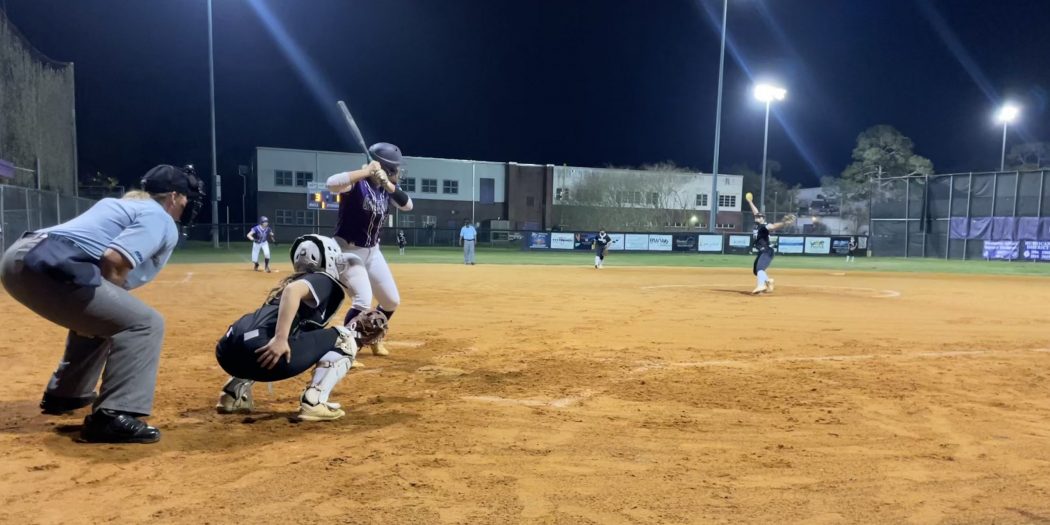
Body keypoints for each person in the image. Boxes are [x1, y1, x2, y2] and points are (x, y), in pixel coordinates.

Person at [0, 164, 205, 443]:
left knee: (107, 320)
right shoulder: (160, 217)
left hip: (21, 259)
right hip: (51, 264)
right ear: (171, 196)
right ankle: (112, 416)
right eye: (184, 197)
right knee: (144, 323)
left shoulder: (124, 204)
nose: (186, 204)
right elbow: (114, 259)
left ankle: (66, 395)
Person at [214, 234, 388, 421]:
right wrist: (281, 338)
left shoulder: (287, 286)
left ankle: (232, 395)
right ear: (328, 258)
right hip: (262, 357)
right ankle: (314, 402)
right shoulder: (322, 279)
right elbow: (293, 291)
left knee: (265, 339)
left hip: (227, 352)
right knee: (345, 337)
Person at [326, 142, 412, 358]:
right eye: (396, 169)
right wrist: (365, 172)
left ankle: (373, 335)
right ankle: (346, 348)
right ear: (385, 167)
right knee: (363, 300)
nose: (399, 173)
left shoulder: (385, 188)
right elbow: (331, 183)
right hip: (347, 251)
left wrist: (387, 184)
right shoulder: (357, 184)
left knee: (391, 301)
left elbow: (408, 205)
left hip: (372, 252)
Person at [745, 195, 795, 295]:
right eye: (756, 216)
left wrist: (783, 223)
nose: (757, 216)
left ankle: (761, 285)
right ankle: (768, 281)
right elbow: (755, 211)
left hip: (767, 251)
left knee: (760, 269)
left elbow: (773, 227)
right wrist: (750, 202)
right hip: (762, 252)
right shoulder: (757, 224)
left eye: (759, 216)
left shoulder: (764, 226)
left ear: (763, 219)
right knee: (756, 271)